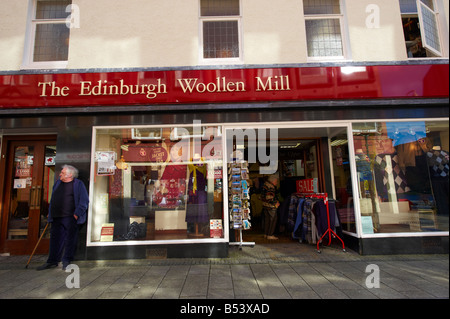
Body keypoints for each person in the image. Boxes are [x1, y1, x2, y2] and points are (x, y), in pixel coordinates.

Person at [37, 165, 89, 271]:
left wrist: (77, 214)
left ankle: (66, 260)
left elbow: (84, 200)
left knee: (70, 239)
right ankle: (52, 261)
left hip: (70, 217)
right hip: (56, 216)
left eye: (63, 172)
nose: (60, 174)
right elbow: (53, 198)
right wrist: (50, 212)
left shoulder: (78, 184)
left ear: (70, 174)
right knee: (55, 239)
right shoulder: (58, 183)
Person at [261, 174, 280, 240]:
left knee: (267, 220)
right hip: (271, 206)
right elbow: (269, 197)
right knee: (273, 220)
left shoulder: (265, 185)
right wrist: (275, 203)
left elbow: (262, 196)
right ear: (273, 180)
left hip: (265, 205)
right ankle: (270, 234)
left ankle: (266, 234)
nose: (276, 183)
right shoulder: (271, 187)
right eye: (276, 181)